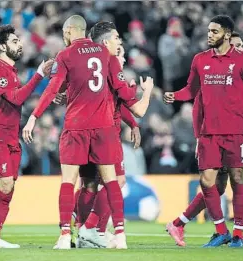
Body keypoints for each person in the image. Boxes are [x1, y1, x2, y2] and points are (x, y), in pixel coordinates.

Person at [22, 15, 154, 250]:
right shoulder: (107, 54)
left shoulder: (66, 55)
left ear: (71, 30)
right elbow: (121, 96)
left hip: (76, 127)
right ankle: (119, 235)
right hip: (103, 128)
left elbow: (54, 88)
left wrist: (33, 117)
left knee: (70, 182)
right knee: (112, 182)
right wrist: (137, 114)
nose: (64, 37)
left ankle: (65, 235)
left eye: (64, 33)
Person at [164, 15, 243, 247]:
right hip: (209, 132)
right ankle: (222, 230)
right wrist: (175, 96)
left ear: (226, 34)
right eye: (209, 31)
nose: (209, 35)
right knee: (207, 181)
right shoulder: (200, 59)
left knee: (239, 179)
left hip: (236, 130)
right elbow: (191, 89)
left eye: (214, 31)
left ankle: (238, 234)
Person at [0, 25, 53, 249]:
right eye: (14, 41)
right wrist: (39, 75)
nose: (20, 44)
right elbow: (17, 99)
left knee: (9, 187)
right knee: (4, 185)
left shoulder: (11, 72)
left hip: (10, 137)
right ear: (2, 46)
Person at [76, 23, 141, 248]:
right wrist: (144, 91)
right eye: (117, 41)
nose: (119, 46)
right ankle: (92, 228)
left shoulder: (87, 63)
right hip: (106, 132)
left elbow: (115, 101)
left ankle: (80, 230)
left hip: (83, 130)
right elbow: (128, 100)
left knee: (89, 185)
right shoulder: (110, 62)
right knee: (115, 181)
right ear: (106, 42)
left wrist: (132, 124)